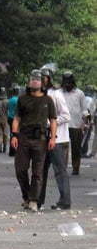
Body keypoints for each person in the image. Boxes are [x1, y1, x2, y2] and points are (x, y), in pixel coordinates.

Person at [11, 69, 57, 212]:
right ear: (29, 82)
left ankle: (33, 200)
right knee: (21, 170)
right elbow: (17, 118)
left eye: (37, 79)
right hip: (24, 137)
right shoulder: (23, 99)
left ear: (42, 83)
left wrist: (53, 138)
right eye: (32, 79)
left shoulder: (48, 100)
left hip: (41, 139)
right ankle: (26, 197)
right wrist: (14, 135)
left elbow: (53, 120)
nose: (34, 81)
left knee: (38, 172)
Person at [39, 67, 71, 210]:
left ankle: (65, 200)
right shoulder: (41, 94)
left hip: (58, 138)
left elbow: (66, 116)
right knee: (40, 169)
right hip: (44, 137)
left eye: (43, 78)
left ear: (49, 79)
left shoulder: (56, 94)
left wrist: (51, 122)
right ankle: (38, 199)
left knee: (60, 170)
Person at [61, 71, 90, 175]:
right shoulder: (60, 93)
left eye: (69, 83)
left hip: (76, 124)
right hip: (62, 125)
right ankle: (62, 167)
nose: (67, 85)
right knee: (62, 147)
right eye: (65, 83)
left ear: (73, 82)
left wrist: (85, 123)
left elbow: (85, 110)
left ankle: (76, 168)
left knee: (76, 148)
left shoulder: (79, 93)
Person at [7, 85, 20, 156]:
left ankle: (11, 150)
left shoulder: (10, 100)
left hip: (10, 117)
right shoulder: (17, 100)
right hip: (15, 118)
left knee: (11, 133)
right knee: (16, 134)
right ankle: (14, 150)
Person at [0, 87, 9, 153]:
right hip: (5, 119)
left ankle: (0, 147)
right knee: (5, 133)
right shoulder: (7, 101)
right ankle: (5, 147)